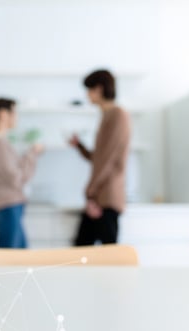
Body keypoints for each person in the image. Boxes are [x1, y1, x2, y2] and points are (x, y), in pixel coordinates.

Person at [69, 70, 131, 245]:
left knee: (107, 258)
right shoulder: (106, 116)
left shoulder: (118, 115)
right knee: (83, 252)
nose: (87, 95)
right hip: (99, 196)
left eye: (89, 90)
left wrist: (90, 192)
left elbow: (108, 160)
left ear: (99, 89)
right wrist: (79, 146)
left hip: (107, 198)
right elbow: (98, 158)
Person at [0, 98, 44, 248]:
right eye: (15, 113)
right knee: (10, 261)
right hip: (8, 208)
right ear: (3, 114)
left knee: (18, 259)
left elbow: (14, 171)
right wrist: (32, 154)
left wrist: (30, 154)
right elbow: (17, 178)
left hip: (9, 207)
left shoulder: (1, 143)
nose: (17, 117)